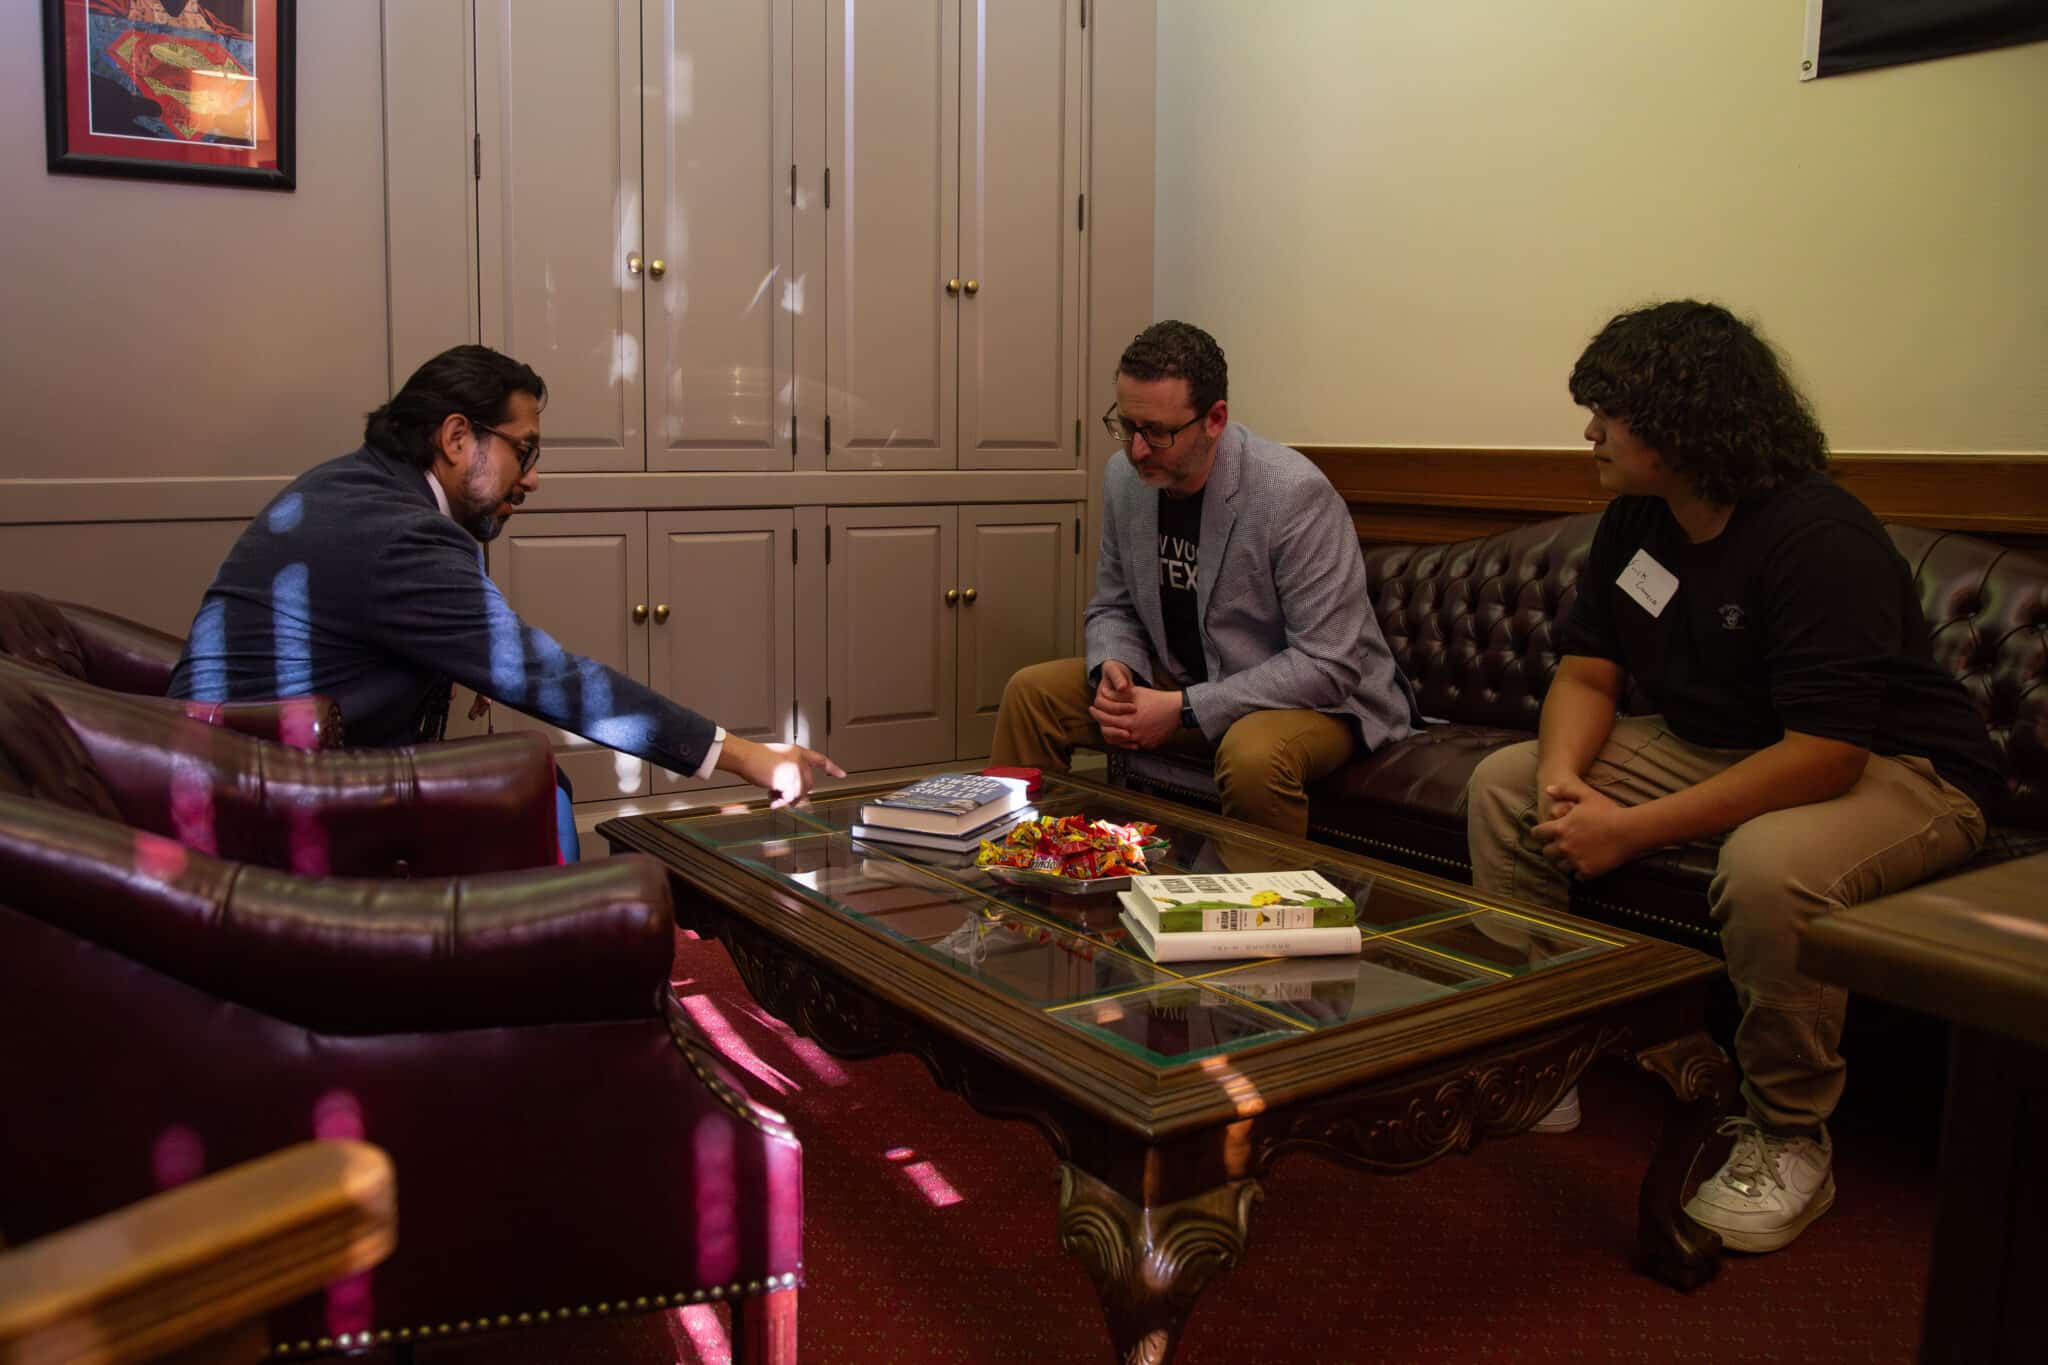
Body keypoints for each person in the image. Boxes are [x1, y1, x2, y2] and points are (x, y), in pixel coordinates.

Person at [1463, 301, 2000, 1252]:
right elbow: (1589, 670)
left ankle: (1790, 1135)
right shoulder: (1637, 520)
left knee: (1769, 865)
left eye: (1609, 412)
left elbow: (1825, 752)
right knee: (1506, 784)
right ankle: (1540, 1057)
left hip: (1899, 765)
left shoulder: (1817, 535)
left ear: (1683, 421)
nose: (1589, 430)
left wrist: (1628, 828)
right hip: (1728, 743)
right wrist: (1560, 778)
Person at [169, 345, 841, 855]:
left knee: (538, 784)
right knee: (534, 793)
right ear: (458, 437)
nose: (535, 478)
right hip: (268, 805)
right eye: (526, 450)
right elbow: (551, 677)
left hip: (226, 776)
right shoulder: (400, 533)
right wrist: (747, 755)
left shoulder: (355, 487)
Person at [989, 320, 1418, 838]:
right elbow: (1115, 606)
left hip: (1322, 701)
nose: (1138, 449)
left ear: (1215, 419)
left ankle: (1262, 913)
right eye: (1127, 426)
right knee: (1032, 693)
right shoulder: (1124, 479)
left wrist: (1185, 709)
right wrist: (1116, 666)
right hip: (1187, 678)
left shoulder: (1292, 494)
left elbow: (1329, 662)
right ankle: (1024, 872)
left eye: (1158, 433)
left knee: (1254, 755)